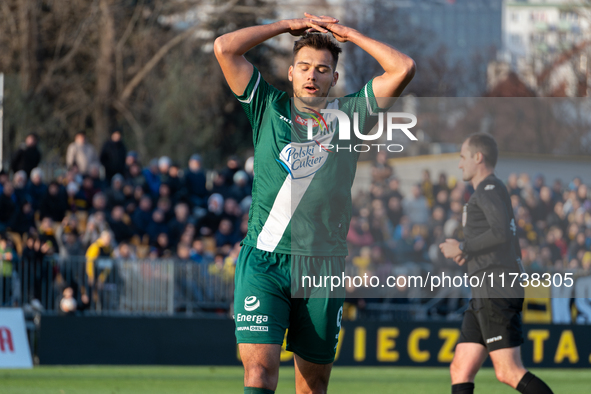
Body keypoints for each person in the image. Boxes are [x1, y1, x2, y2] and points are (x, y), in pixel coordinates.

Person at [214, 13, 414, 394]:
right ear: (290, 73)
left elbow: (402, 67)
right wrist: (284, 25)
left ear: (334, 78)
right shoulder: (267, 107)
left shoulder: (352, 116)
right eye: (304, 66)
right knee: (258, 373)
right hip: (266, 259)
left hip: (323, 265)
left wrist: (350, 35)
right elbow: (224, 48)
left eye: (322, 69)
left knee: (312, 386)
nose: (312, 75)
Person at [439, 134, 553, 394]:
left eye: (462, 157)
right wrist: (467, 253)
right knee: (461, 369)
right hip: (485, 290)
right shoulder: (493, 189)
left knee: (508, 371)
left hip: (495, 290)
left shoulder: (488, 190)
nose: (459, 164)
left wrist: (463, 247)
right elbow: (501, 239)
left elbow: (501, 232)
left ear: (478, 158)